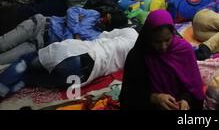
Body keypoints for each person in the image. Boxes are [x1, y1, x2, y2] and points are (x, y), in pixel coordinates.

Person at [0, 27, 138, 98]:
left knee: (25, 62)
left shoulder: (131, 32)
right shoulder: (144, 56)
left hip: (76, 53)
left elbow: (102, 35)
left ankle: (1, 87)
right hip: (83, 77)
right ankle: (8, 88)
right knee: (27, 78)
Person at [120, 10, 204, 110]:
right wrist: (155, 98)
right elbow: (128, 96)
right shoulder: (138, 56)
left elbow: (193, 86)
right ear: (148, 37)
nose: (163, 47)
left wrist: (185, 100)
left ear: (173, 34)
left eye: (167, 40)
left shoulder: (184, 51)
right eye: (157, 42)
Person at [0, 6, 128, 65]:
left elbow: (68, 44)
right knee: (2, 44)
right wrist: (77, 33)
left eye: (106, 21)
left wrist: (72, 25)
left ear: (110, 27)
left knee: (3, 60)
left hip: (39, 45)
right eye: (105, 16)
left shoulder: (96, 37)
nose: (102, 19)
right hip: (39, 25)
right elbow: (71, 11)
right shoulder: (93, 14)